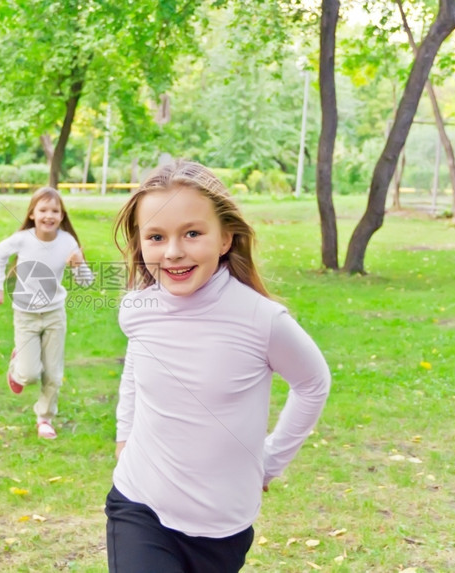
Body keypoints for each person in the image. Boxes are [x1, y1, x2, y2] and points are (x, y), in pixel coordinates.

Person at [105, 160, 331, 572]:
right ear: (141, 243)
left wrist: (271, 460)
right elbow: (137, 365)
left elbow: (313, 383)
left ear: (225, 237)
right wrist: (125, 434)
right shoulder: (137, 308)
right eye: (156, 236)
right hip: (140, 505)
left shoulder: (262, 320)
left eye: (192, 233)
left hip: (222, 527)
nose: (173, 251)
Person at [0, 186, 94, 440]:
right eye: (43, 209)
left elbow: (86, 282)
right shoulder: (23, 239)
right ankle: (17, 367)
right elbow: (0, 253)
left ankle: (44, 418)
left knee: (53, 373)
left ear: (62, 215)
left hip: (55, 313)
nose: (49, 215)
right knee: (29, 373)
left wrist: (80, 265)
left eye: (55, 210)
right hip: (26, 314)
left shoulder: (68, 242)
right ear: (32, 214)